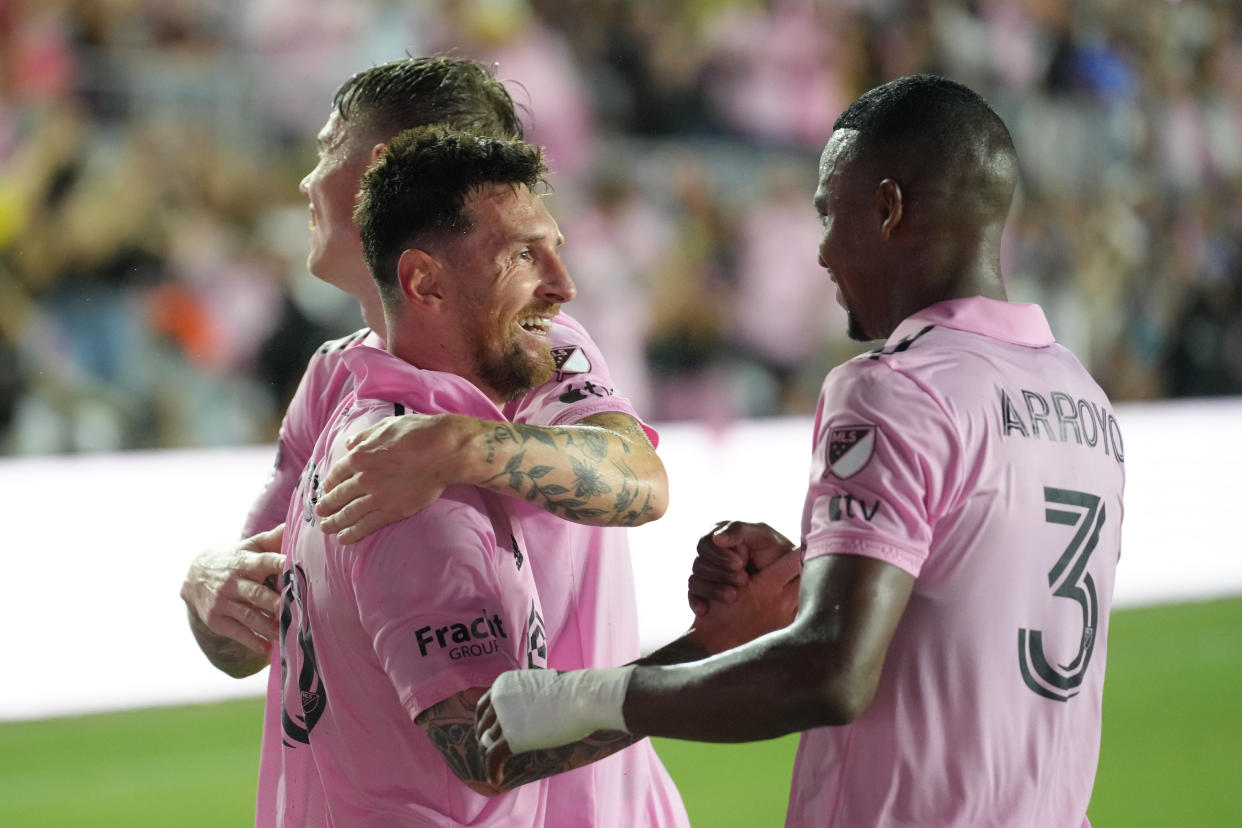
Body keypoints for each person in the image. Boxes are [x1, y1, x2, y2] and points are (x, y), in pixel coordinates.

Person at [476, 74, 1126, 828]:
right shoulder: (1081, 397)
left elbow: (830, 672)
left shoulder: (899, 389)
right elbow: (973, 595)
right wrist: (831, 573)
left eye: (829, 213)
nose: (819, 251)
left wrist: (578, 699)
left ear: (886, 209)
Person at [177, 57, 686, 826]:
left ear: (378, 167)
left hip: (578, 806)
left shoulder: (533, 348)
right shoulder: (333, 380)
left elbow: (638, 482)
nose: (309, 180)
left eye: (326, 150)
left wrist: (457, 446)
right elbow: (244, 644)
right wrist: (208, 582)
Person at [273, 123, 652, 825]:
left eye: (555, 251)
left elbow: (641, 480)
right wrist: (709, 656)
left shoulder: (370, 412)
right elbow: (489, 752)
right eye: (521, 256)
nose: (563, 288)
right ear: (424, 281)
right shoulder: (413, 482)